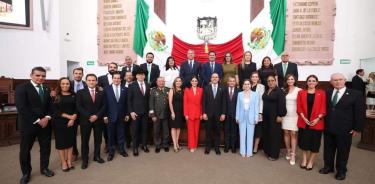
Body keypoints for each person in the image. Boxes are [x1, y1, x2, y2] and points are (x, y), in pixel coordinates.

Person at [319, 73, 365, 181]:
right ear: (331, 82)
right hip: (328, 127)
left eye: (340, 79)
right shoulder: (327, 92)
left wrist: (357, 128)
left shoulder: (356, 94)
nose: (338, 82)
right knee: (328, 149)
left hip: (345, 129)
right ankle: (328, 167)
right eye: (335, 80)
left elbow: (359, 112)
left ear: (345, 80)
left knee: (343, 151)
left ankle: (341, 171)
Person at [16, 67, 54, 184]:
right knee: (25, 150)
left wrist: (47, 118)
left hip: (45, 125)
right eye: (37, 75)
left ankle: (44, 168)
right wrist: (38, 120)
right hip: (29, 124)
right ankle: (26, 173)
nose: (40, 78)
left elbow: (50, 107)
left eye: (43, 76)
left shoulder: (47, 89)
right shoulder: (22, 88)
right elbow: (22, 108)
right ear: (31, 75)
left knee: (45, 148)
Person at [76, 74, 107, 169]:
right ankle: (85, 160)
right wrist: (89, 116)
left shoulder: (101, 92)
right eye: (89, 80)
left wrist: (97, 116)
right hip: (85, 120)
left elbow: (104, 106)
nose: (91, 82)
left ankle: (96, 156)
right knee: (85, 141)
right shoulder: (80, 92)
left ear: (96, 81)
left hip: (98, 120)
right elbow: (79, 106)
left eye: (93, 80)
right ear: (86, 81)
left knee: (98, 140)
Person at [297, 75, 326, 170]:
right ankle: (304, 159)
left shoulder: (321, 93)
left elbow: (324, 108)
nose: (311, 82)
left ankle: (311, 161)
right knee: (304, 142)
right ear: (307, 82)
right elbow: (299, 106)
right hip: (304, 121)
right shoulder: (301, 92)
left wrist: (318, 118)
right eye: (309, 80)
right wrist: (303, 118)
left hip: (317, 122)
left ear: (317, 83)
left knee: (315, 143)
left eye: (314, 81)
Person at [52, 77, 77, 172]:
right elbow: (54, 110)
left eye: (67, 83)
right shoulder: (55, 95)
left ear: (70, 85)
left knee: (70, 142)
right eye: (63, 83)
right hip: (59, 122)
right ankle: (63, 162)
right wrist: (68, 117)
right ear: (60, 84)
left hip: (72, 122)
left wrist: (73, 117)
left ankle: (69, 161)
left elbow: (77, 107)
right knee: (61, 143)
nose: (65, 85)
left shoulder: (74, 94)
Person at [103, 72, 129, 161]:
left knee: (121, 134)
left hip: (121, 116)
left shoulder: (125, 89)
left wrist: (126, 114)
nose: (117, 80)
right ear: (112, 79)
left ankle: (122, 150)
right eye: (115, 78)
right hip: (110, 116)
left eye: (118, 78)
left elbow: (126, 103)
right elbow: (104, 104)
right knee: (110, 135)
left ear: (121, 79)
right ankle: (111, 152)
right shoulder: (106, 89)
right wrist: (105, 116)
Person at [262, 75, 287, 160]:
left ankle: (274, 154)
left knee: (274, 135)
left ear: (275, 81)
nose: (270, 82)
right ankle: (268, 151)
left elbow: (282, 104)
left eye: (272, 80)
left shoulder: (279, 91)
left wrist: (280, 115)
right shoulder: (267, 90)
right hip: (266, 117)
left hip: (275, 116)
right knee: (267, 133)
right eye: (268, 81)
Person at [127, 68, 151, 156]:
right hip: (135, 113)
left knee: (145, 129)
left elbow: (149, 99)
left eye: (143, 74)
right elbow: (129, 100)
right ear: (136, 76)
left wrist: (149, 111)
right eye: (139, 74)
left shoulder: (148, 84)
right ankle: (135, 148)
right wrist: (131, 112)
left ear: (145, 76)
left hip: (145, 112)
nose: (141, 76)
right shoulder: (132, 85)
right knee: (135, 131)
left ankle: (144, 146)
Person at [202, 73, 226, 155]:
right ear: (211, 79)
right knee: (208, 132)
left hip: (218, 115)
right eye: (213, 77)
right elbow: (203, 102)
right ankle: (207, 148)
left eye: (216, 77)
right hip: (208, 114)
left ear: (219, 79)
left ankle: (217, 148)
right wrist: (204, 113)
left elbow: (224, 102)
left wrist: (223, 113)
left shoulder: (222, 88)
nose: (215, 78)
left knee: (217, 132)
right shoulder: (206, 88)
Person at [98, 62, 118, 152]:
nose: (112, 68)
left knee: (117, 126)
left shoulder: (119, 77)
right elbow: (97, 89)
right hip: (105, 106)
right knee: (106, 128)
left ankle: (116, 143)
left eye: (114, 67)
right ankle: (107, 143)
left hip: (116, 105)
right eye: (111, 67)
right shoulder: (101, 78)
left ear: (117, 68)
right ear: (108, 68)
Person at [236, 80, 259, 157]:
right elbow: (238, 106)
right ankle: (242, 152)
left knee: (250, 135)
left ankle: (249, 152)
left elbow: (256, 107)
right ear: (243, 85)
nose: (246, 85)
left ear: (250, 85)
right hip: (242, 116)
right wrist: (237, 117)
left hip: (251, 117)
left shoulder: (255, 94)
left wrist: (256, 118)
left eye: (248, 84)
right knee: (242, 135)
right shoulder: (240, 94)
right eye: (245, 84)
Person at [282, 74, 302, 165]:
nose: (290, 80)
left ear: (295, 80)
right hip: (285, 115)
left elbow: (301, 104)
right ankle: (288, 151)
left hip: (295, 115)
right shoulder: (283, 90)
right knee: (286, 133)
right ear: (286, 81)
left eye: (292, 79)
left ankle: (293, 154)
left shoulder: (299, 90)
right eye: (288, 79)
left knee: (293, 133)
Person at [69, 67, 87, 160]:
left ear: (82, 74)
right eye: (76, 73)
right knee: (73, 134)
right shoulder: (68, 84)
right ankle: (74, 152)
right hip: (72, 113)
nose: (78, 75)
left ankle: (85, 152)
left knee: (84, 134)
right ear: (73, 74)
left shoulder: (86, 83)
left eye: (80, 73)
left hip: (84, 113)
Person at [149, 77, 170, 153]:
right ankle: (157, 145)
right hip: (156, 115)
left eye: (163, 81)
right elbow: (151, 104)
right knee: (156, 131)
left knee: (166, 131)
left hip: (166, 114)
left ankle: (165, 145)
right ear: (157, 82)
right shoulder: (153, 91)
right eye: (159, 81)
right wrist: (152, 115)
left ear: (164, 82)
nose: (161, 83)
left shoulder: (168, 90)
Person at [183, 76, 203, 152]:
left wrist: (201, 113)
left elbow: (201, 103)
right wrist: (186, 114)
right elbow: (185, 103)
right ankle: (191, 146)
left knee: (196, 130)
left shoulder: (201, 90)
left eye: (195, 81)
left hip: (198, 113)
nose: (194, 82)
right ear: (190, 82)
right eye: (193, 81)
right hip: (190, 113)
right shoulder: (187, 90)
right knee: (190, 131)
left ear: (197, 82)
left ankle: (195, 145)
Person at [223, 76, 240, 153]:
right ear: (228, 82)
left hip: (235, 115)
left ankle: (233, 147)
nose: (232, 82)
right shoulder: (224, 90)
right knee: (226, 131)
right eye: (230, 81)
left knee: (234, 132)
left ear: (235, 83)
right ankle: (227, 146)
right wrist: (223, 113)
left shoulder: (239, 91)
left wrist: (238, 115)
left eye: (233, 81)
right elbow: (222, 103)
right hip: (226, 114)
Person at [249, 72, 265, 154]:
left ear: (258, 78)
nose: (254, 78)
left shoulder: (261, 87)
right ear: (251, 78)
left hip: (258, 111)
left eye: (256, 77)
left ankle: (255, 147)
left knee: (258, 130)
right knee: (250, 129)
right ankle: (249, 145)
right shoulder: (247, 85)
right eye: (253, 77)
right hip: (248, 111)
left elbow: (261, 100)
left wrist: (260, 112)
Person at [168, 77, 184, 152]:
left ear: (181, 82)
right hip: (173, 112)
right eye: (177, 81)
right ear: (174, 82)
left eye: (179, 81)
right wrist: (172, 112)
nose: (178, 82)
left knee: (178, 128)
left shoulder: (182, 90)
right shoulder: (172, 90)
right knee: (174, 128)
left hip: (180, 112)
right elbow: (170, 102)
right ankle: (174, 145)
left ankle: (177, 143)